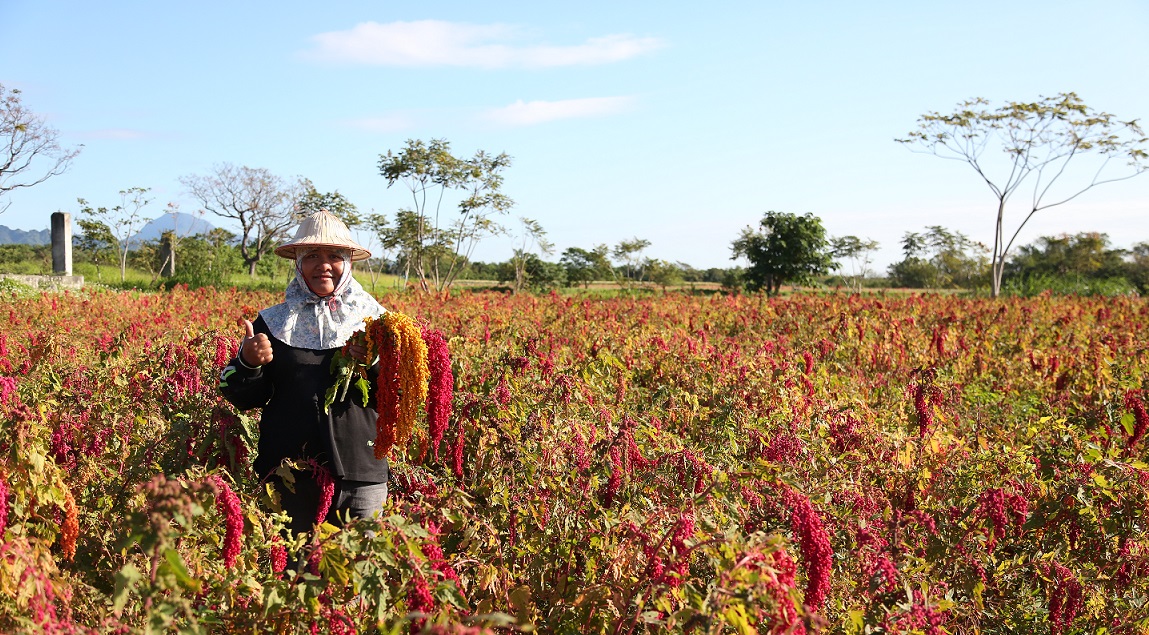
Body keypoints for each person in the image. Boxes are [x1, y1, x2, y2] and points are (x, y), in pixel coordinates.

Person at [218, 210, 388, 537]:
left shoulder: (378, 323)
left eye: (334, 256)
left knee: (358, 577)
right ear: (297, 262)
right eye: (311, 255)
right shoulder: (272, 322)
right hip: (290, 475)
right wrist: (249, 362)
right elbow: (239, 394)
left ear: (348, 263)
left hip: (360, 473)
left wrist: (377, 362)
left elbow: (403, 398)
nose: (323, 264)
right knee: (292, 575)